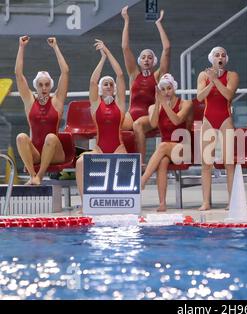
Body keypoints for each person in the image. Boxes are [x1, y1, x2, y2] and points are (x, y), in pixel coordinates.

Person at [15, 36, 69, 185]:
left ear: (51, 86)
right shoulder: (29, 101)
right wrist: (21, 47)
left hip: (55, 153)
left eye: (46, 85)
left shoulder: (56, 101)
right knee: (21, 137)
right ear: (36, 86)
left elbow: (65, 72)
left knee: (51, 137)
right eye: (40, 85)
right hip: (37, 153)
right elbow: (18, 75)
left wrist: (55, 47)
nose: (44, 88)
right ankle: (33, 176)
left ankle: (40, 174)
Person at [75, 39, 127, 197]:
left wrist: (108, 51)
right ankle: (85, 203)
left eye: (111, 84)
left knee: (127, 165)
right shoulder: (96, 105)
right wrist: (102, 58)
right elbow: (92, 81)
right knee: (80, 162)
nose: (109, 86)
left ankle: (123, 201)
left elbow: (120, 74)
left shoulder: (119, 104)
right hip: (99, 148)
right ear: (100, 89)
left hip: (118, 147)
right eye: (106, 84)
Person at [121, 6, 170, 164]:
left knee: (138, 125)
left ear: (153, 61)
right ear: (139, 61)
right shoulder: (134, 74)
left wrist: (158, 24)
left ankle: (140, 164)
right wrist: (126, 21)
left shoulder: (158, 76)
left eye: (149, 57)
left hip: (150, 116)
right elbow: (125, 47)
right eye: (143, 57)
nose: (147, 59)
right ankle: (118, 159)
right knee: (112, 122)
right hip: (132, 114)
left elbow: (167, 49)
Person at [140, 74, 193, 211]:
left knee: (162, 146)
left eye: (169, 88)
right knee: (162, 161)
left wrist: (164, 104)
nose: (166, 92)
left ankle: (143, 180)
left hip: (184, 149)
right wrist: (158, 103)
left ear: (174, 88)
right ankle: (162, 204)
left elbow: (176, 120)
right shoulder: (153, 107)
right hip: (166, 151)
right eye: (162, 90)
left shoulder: (185, 104)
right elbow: (152, 123)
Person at [196, 46, 239, 211]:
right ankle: (206, 202)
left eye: (222, 55)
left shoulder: (232, 75)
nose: (220, 57)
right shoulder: (203, 75)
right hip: (208, 120)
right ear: (211, 58)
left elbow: (228, 95)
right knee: (206, 163)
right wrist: (211, 80)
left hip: (225, 119)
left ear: (225, 59)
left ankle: (232, 201)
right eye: (217, 55)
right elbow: (200, 97)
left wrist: (215, 80)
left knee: (229, 163)